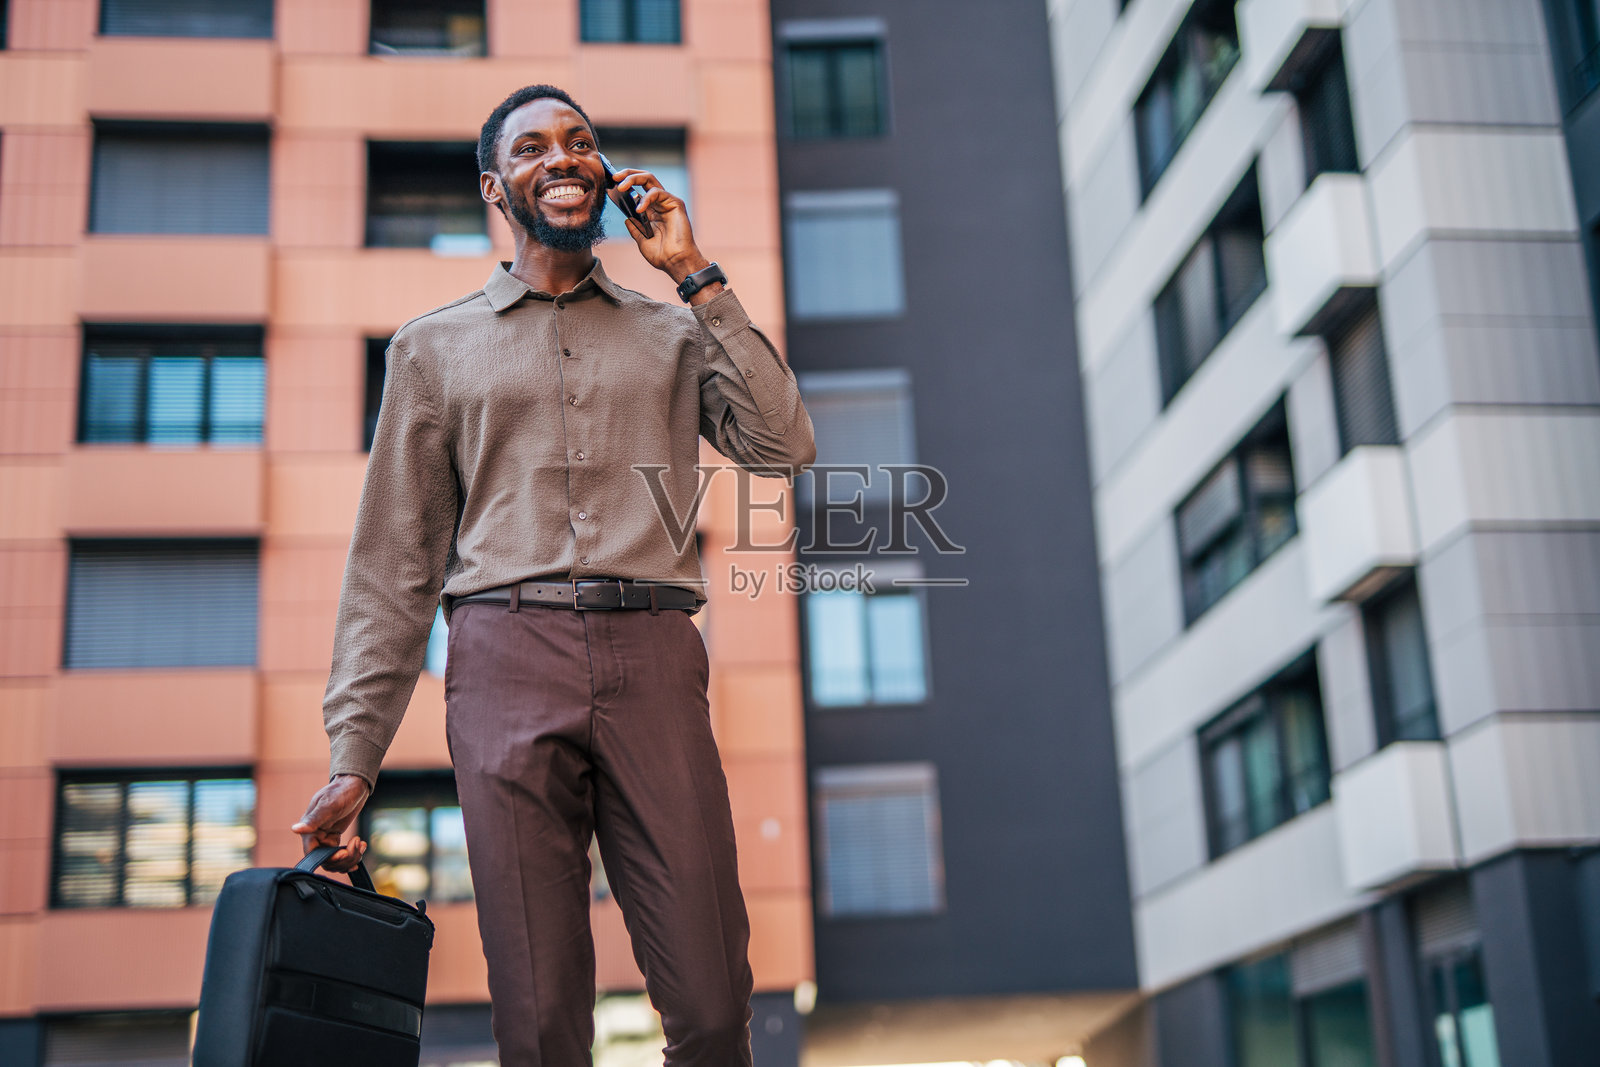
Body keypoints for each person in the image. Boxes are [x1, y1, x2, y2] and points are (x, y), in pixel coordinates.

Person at [291, 84, 816, 1066]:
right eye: (531, 148)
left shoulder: (673, 332)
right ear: (497, 188)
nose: (561, 157)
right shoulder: (431, 348)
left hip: (653, 653)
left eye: (579, 142)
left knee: (713, 1003)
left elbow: (783, 445)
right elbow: (394, 563)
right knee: (539, 1019)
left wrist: (694, 272)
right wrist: (354, 752)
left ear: (606, 174)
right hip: (503, 657)